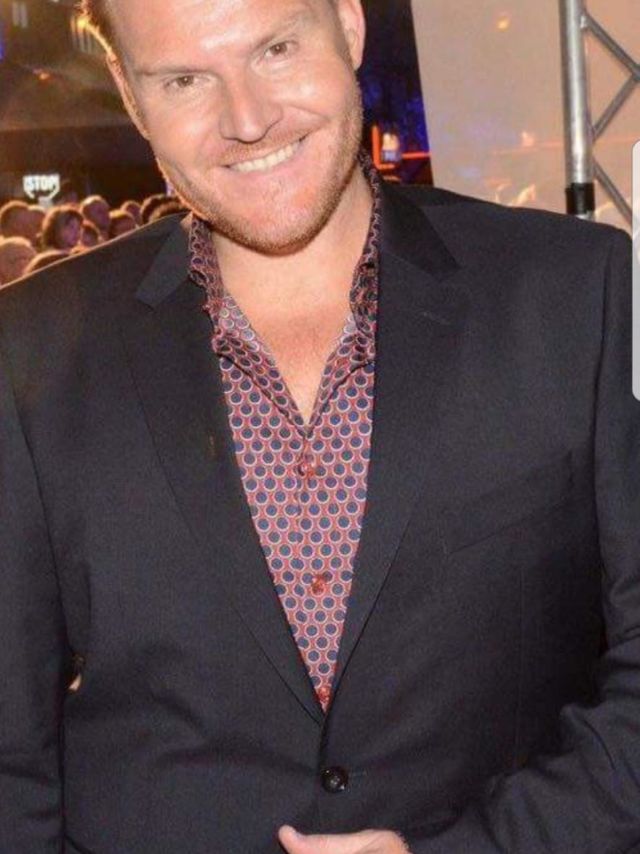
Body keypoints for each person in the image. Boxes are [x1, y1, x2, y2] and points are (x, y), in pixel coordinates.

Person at [0, 1, 636, 852]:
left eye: (276, 48)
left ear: (349, 25)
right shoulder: (30, 351)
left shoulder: (577, 292)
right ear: (128, 91)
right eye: (185, 79)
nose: (248, 118)